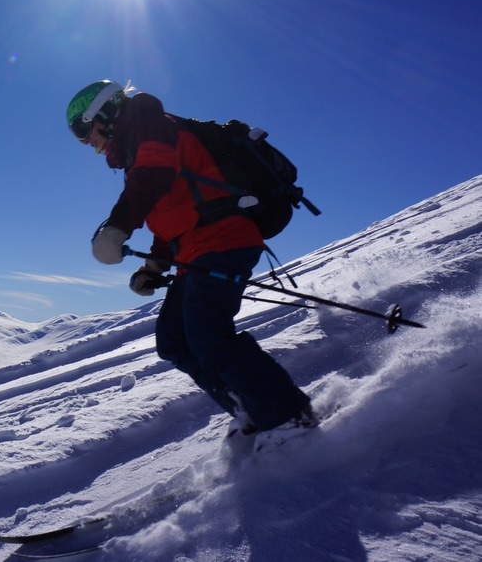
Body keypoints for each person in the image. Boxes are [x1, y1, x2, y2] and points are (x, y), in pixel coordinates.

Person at [66, 80, 315, 434]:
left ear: (105, 114)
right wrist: (155, 265)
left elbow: (153, 179)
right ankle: (253, 415)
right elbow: (175, 211)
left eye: (87, 133)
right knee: (175, 341)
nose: (90, 144)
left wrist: (116, 228)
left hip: (223, 240)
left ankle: (290, 419)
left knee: (208, 338)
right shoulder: (141, 143)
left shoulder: (149, 125)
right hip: (197, 249)